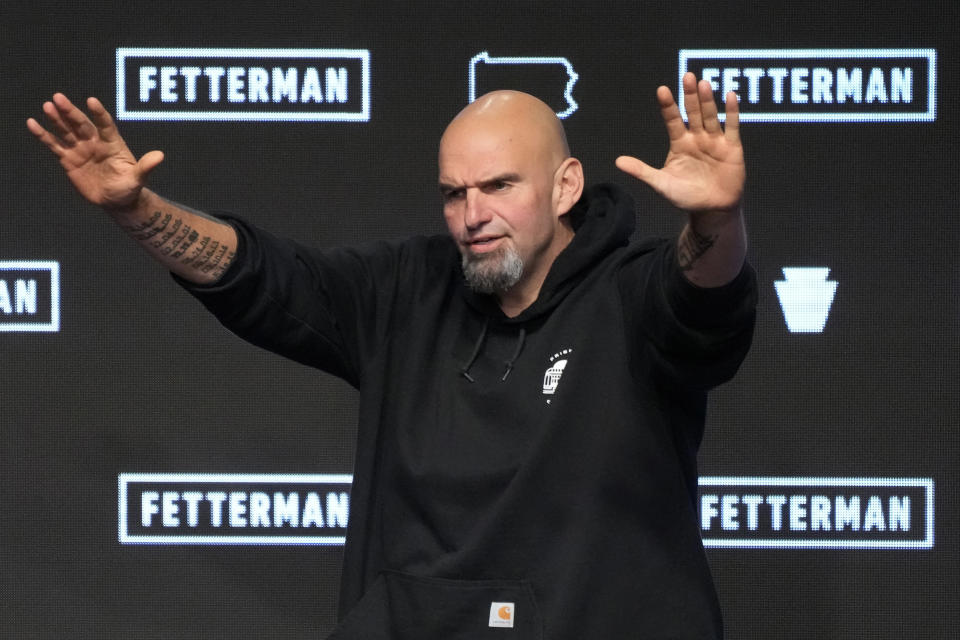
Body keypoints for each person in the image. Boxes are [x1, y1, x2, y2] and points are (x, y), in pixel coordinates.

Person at [27, 72, 756, 639]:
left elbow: (704, 296)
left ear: (565, 186)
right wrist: (138, 211)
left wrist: (716, 218)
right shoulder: (406, 289)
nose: (473, 216)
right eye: (453, 193)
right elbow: (269, 278)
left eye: (500, 186)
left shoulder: (633, 295)